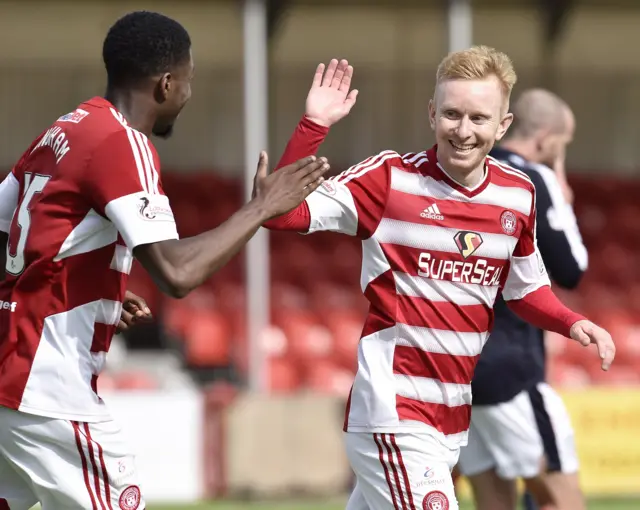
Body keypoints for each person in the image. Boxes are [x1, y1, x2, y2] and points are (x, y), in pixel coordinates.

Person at [0, 10, 329, 510]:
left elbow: (15, 238)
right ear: (166, 83)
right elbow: (177, 273)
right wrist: (261, 207)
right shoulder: (122, 143)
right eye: (188, 82)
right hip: (43, 387)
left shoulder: (63, 131)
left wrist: (97, 289)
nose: (189, 95)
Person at [263, 49, 615, 510]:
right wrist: (314, 125)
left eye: (478, 118)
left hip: (451, 419)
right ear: (432, 114)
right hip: (393, 412)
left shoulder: (518, 194)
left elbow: (524, 288)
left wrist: (572, 323)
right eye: (451, 114)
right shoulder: (389, 178)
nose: (463, 130)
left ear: (502, 126)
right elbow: (283, 213)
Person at [456, 89, 588, 510]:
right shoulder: (533, 179)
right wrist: (561, 199)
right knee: (560, 499)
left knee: (493, 499)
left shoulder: (464, 173)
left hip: (457, 362)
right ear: (547, 138)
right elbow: (572, 268)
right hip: (511, 364)